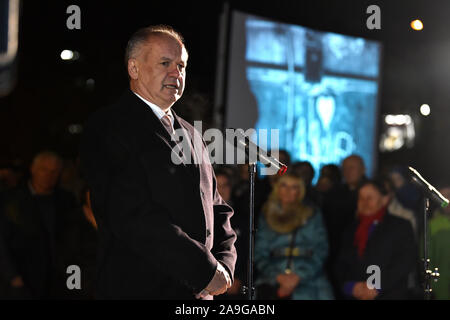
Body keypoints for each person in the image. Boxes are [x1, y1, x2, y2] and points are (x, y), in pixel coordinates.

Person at [79, 25, 237, 300]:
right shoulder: (108, 127)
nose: (177, 73)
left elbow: (217, 208)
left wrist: (223, 266)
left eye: (182, 65)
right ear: (134, 68)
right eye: (166, 63)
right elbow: (133, 217)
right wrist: (203, 271)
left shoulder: (191, 133)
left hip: (200, 294)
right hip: (140, 289)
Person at [0, 151, 79, 299]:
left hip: (59, 281)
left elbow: (74, 242)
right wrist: (13, 277)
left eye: (54, 171)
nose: (49, 175)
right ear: (33, 169)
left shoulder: (66, 200)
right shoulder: (10, 200)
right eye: (44, 169)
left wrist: (75, 281)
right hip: (23, 281)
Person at [254, 173, 334, 300]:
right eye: (284, 186)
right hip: (272, 278)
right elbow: (258, 252)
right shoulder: (266, 213)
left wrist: (299, 276)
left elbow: (321, 248)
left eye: (294, 187)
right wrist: (277, 276)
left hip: (309, 278)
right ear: (277, 188)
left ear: (300, 190)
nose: (288, 191)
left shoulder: (311, 214)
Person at [334, 180, 417, 300]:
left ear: (384, 200)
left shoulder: (400, 226)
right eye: (361, 198)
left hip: (388, 295)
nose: (364, 202)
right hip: (356, 295)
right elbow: (340, 263)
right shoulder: (350, 228)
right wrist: (350, 286)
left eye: (369, 198)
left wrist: (376, 286)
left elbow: (404, 262)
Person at [429, 187, 450, 300]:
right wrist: (434, 285)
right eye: (442, 197)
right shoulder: (433, 225)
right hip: (441, 289)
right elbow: (427, 257)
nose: (446, 200)